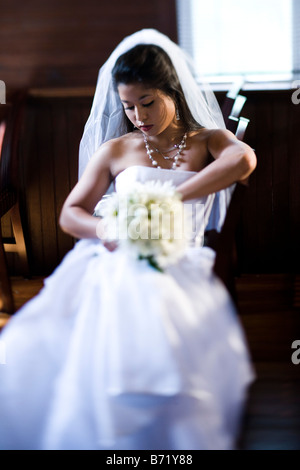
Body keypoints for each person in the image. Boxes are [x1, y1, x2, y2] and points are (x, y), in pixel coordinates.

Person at [0, 29, 256, 450]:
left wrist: (170, 197)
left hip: (180, 258)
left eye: (148, 102)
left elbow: (243, 160)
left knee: (151, 298)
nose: (138, 115)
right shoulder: (116, 149)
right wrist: (110, 229)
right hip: (117, 252)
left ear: (172, 90)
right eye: (128, 106)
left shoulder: (208, 140)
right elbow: (69, 213)